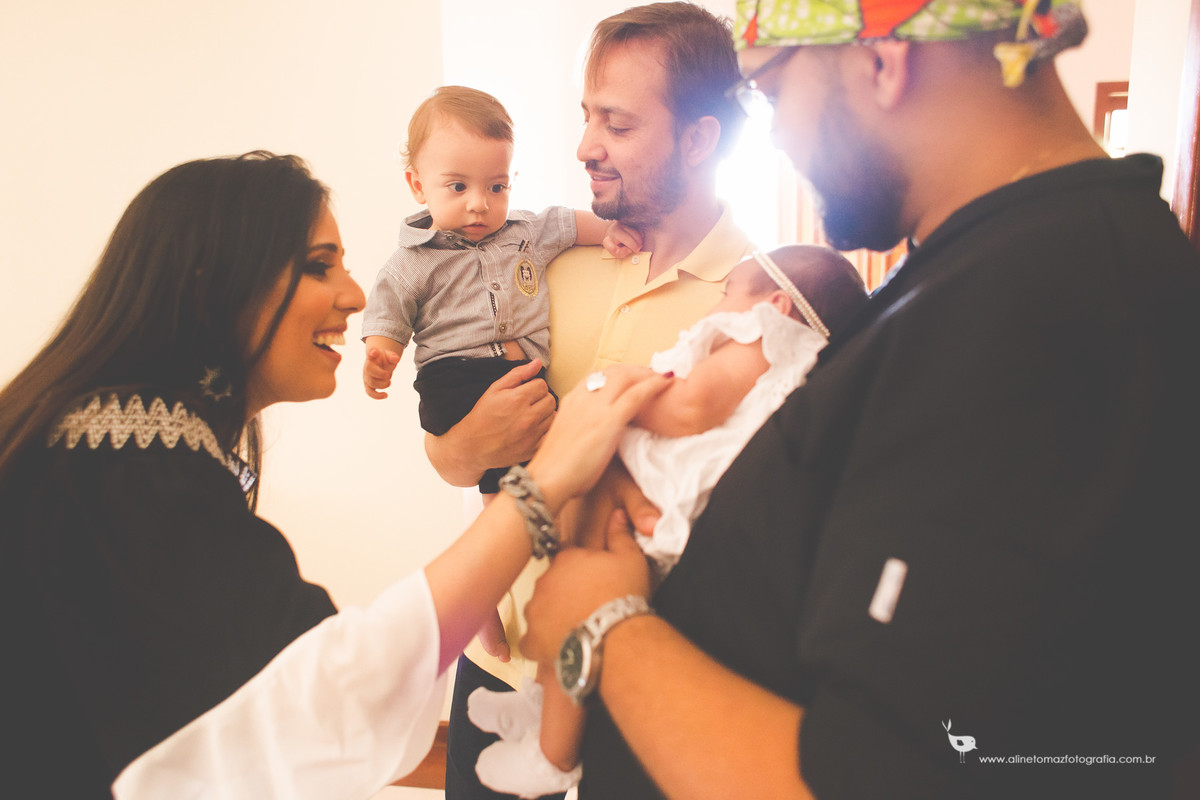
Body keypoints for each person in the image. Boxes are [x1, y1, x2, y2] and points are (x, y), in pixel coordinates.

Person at [521, 2, 1200, 799]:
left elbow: (888, 774)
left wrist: (605, 630)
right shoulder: (980, 272)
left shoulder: (1047, 304)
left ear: (883, 62)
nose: (775, 134)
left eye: (773, 93)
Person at [0, 151, 670, 799]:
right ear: (216, 285)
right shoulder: (126, 458)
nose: (354, 295)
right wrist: (546, 481)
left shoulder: (125, 435)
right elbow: (319, 695)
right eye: (320, 267)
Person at [422, 5, 756, 799]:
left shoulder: (757, 312)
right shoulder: (543, 268)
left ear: (699, 139)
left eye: (616, 123)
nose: (584, 148)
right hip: (497, 666)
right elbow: (448, 457)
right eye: (585, 117)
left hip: (633, 684)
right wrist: (474, 441)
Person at [468, 245, 867, 798]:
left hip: (665, 494)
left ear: (774, 306)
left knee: (579, 577)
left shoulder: (763, 341)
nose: (720, 303)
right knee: (572, 569)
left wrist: (601, 397)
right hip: (655, 489)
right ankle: (544, 705)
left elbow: (688, 409)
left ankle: (553, 752)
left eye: (732, 292)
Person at [360, 85, 638, 664]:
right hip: (455, 380)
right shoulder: (414, 259)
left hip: (519, 374)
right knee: (507, 492)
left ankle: (499, 587)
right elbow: (389, 308)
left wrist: (607, 233)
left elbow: (569, 224)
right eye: (457, 188)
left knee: (531, 476)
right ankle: (483, 594)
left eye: (497, 186)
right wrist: (380, 350)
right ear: (418, 184)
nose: (480, 204)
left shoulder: (525, 233)